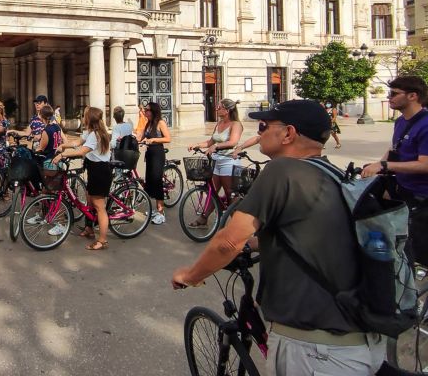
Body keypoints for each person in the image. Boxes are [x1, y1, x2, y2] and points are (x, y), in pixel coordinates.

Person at [172, 100, 385, 376]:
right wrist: (256, 243)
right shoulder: (331, 173)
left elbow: (227, 241)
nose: (259, 133)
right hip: (360, 339)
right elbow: (304, 231)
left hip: (316, 350)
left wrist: (190, 275)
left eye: (264, 126)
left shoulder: (281, 171)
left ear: (288, 134)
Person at [362, 75, 428, 265]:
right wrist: (376, 166)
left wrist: (385, 166)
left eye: (394, 93)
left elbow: (425, 164)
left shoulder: (425, 124)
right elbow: (394, 149)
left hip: (422, 196)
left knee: (420, 250)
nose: (389, 97)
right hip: (403, 189)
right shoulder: (401, 122)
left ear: (412, 96)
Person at [52, 107, 112, 250]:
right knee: (89, 200)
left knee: (99, 207)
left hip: (100, 171)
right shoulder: (90, 132)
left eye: (84, 116)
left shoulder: (95, 135)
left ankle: (102, 241)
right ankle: (89, 228)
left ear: (89, 118)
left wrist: (63, 155)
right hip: (94, 170)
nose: (83, 118)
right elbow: (77, 143)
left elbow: (82, 150)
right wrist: (63, 145)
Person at [187, 99, 244, 228]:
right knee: (212, 191)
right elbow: (210, 142)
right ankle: (204, 218)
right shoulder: (219, 124)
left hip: (229, 162)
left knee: (230, 194)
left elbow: (233, 142)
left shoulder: (236, 124)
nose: (216, 109)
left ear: (227, 110)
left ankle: (237, 226)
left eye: (219, 107)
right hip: (217, 161)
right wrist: (197, 144)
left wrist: (217, 147)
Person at [139, 102, 171, 225]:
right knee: (150, 181)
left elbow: (168, 138)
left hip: (158, 154)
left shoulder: (160, 123)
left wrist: (154, 140)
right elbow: (141, 137)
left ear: (153, 111)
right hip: (150, 155)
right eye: (145, 110)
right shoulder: (148, 123)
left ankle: (161, 213)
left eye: (147, 110)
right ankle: (156, 209)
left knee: (157, 182)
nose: (145, 112)